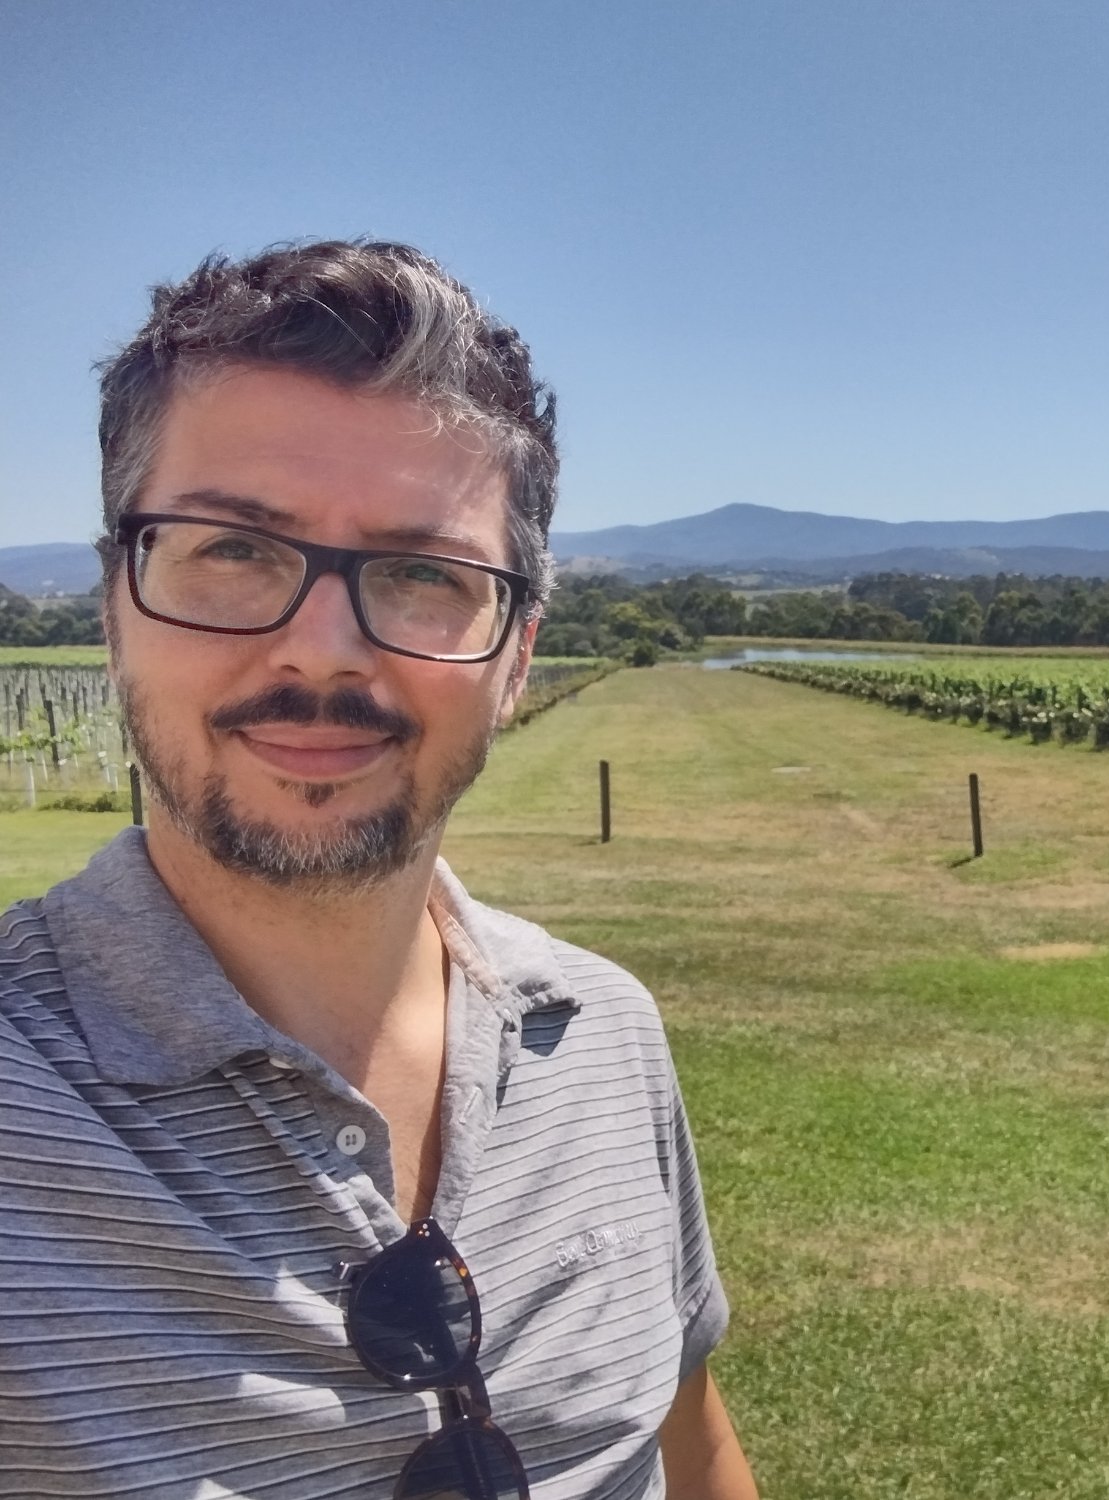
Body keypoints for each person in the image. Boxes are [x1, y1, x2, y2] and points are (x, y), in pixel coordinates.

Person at [0, 242, 759, 1500]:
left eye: (421, 575)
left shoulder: (606, 1036)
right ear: (115, 601)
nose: (322, 649)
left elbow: (691, 1448)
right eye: (231, 550)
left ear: (516, 654)